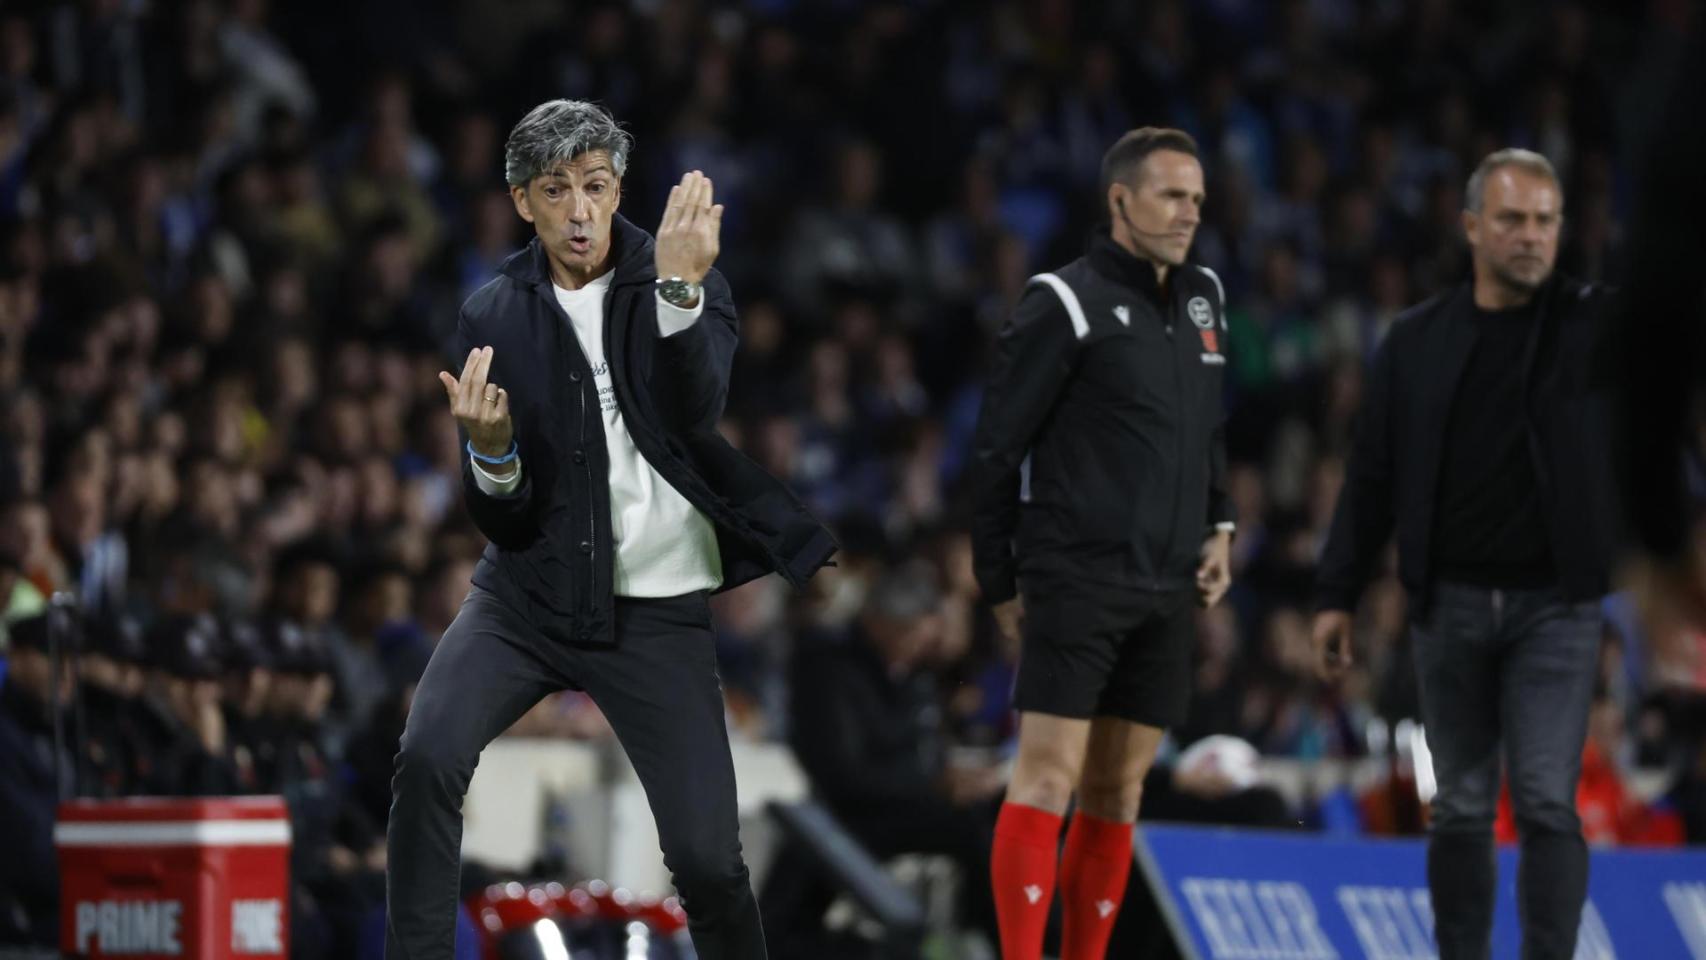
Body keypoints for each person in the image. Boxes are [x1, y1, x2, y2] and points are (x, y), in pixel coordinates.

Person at [385, 99, 836, 960]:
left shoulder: (683, 270)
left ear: (619, 186)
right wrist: (490, 454)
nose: (581, 210)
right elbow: (504, 515)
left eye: (595, 186)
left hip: (656, 610)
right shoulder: (492, 312)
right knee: (430, 754)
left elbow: (696, 411)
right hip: (527, 596)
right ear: (523, 201)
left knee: (708, 863)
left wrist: (678, 288)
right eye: (557, 191)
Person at [1313, 148, 1616, 960]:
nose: (1531, 237)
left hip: (1556, 607)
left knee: (1549, 802)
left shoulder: (1595, 327)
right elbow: (1370, 474)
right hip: (1447, 606)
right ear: (1472, 227)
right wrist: (1336, 592)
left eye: (1546, 221)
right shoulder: (1415, 342)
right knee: (1461, 808)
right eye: (1513, 219)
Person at [970, 127, 1235, 960]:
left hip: (1168, 587)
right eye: (1170, 195)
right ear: (1119, 200)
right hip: (1077, 576)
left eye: (1196, 197)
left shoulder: (1204, 297)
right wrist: (997, 576)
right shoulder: (1065, 299)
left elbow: (1205, 428)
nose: (1189, 212)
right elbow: (997, 447)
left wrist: (1219, 526)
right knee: (1049, 776)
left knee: (1119, 793)